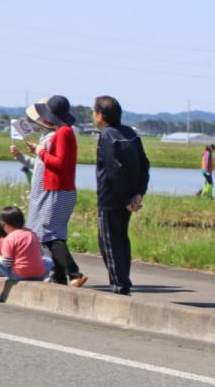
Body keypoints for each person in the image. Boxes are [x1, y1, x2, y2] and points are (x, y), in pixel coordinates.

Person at [15, 95, 85, 287]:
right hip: (57, 189)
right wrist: (38, 152)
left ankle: (73, 273)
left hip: (55, 190)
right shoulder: (65, 132)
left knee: (49, 235)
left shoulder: (62, 133)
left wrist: (40, 151)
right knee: (51, 234)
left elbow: (59, 163)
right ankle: (59, 276)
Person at [93, 95, 150, 296]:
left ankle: (119, 285)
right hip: (129, 197)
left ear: (100, 115)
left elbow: (113, 170)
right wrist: (138, 193)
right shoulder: (130, 133)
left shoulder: (107, 135)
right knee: (121, 240)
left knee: (108, 241)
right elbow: (144, 164)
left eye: (94, 112)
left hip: (111, 198)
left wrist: (126, 198)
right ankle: (123, 281)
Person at [0, 206, 51, 302]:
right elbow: (39, 253)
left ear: (6, 224)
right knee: (48, 260)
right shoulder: (32, 234)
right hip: (39, 274)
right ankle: (47, 277)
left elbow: (6, 264)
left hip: (19, 274)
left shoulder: (10, 238)